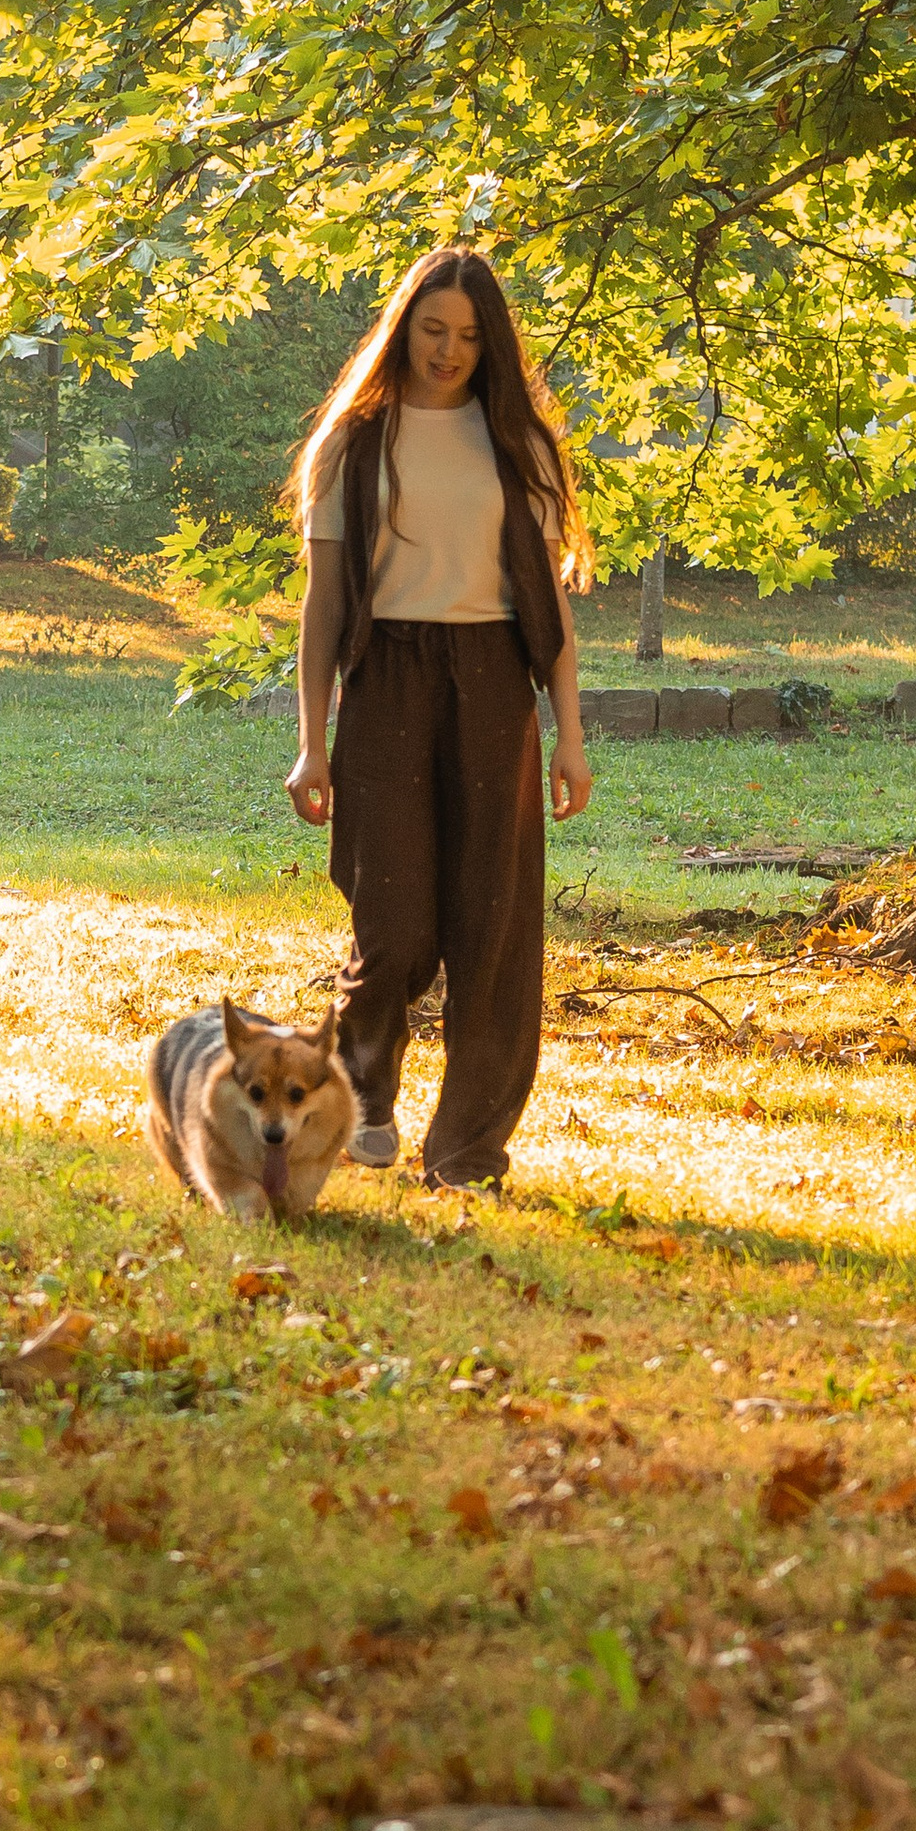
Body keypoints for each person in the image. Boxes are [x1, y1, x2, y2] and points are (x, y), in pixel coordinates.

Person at [285, 247, 593, 1192]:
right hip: (391, 685)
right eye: (432, 330)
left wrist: (570, 737)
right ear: (403, 328)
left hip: (496, 686)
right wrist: (309, 744)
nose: (449, 350)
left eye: (467, 335)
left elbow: (551, 614)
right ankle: (368, 1092)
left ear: (488, 342)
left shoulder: (520, 448)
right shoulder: (352, 445)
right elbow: (324, 608)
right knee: (396, 922)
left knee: (492, 930)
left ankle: (467, 1149)